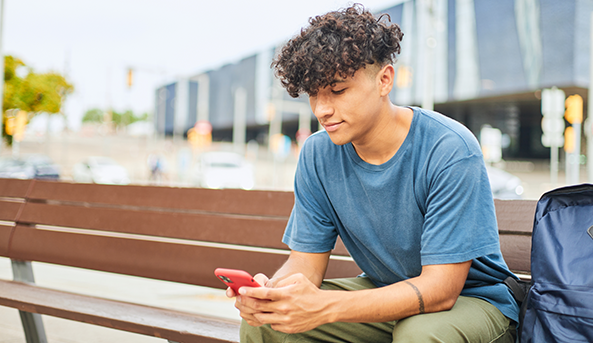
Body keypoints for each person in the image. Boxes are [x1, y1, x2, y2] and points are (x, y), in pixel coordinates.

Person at [227, 4, 520, 342]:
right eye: (313, 94)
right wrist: (272, 295)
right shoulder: (318, 154)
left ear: (384, 80)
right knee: (265, 323)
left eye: (337, 90)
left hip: (473, 301)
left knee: (419, 334)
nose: (322, 109)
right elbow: (305, 265)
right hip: (386, 290)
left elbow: (441, 290)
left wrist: (326, 307)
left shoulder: (448, 148)